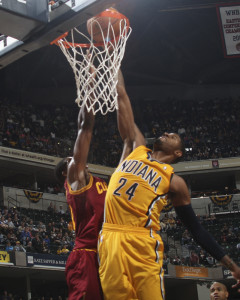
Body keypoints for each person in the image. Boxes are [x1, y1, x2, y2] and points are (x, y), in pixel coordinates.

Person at [98, 70, 240, 300]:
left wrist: (231, 265)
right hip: (110, 236)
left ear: (177, 153)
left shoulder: (175, 181)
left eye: (172, 136)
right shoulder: (136, 148)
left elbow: (196, 229)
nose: (165, 133)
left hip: (142, 241)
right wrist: (113, 60)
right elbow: (121, 96)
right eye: (166, 132)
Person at [54, 66, 107, 300]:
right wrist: (90, 86)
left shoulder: (99, 182)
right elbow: (84, 128)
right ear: (67, 174)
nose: (74, 159)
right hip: (85, 255)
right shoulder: (76, 182)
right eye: (70, 161)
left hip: (107, 253)